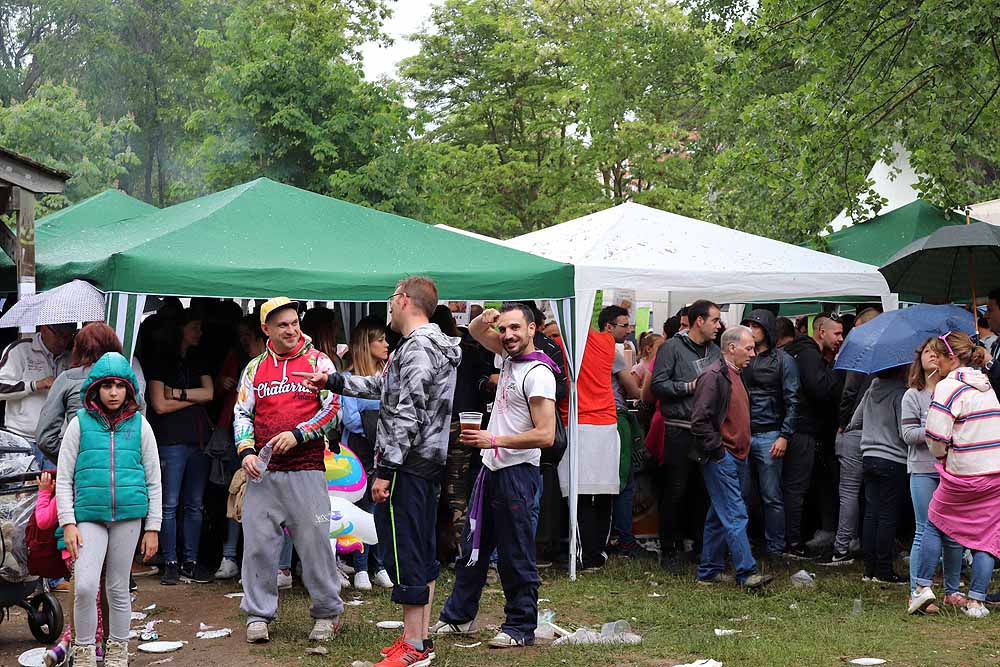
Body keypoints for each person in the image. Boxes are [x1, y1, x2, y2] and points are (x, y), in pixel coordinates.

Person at [296, 277, 461, 667]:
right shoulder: (428, 345)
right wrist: (332, 380)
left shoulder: (418, 348)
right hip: (425, 462)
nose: (388, 307)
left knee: (404, 552)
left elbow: (408, 411)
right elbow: (381, 387)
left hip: (408, 465)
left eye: (391, 299)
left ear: (404, 300)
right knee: (420, 549)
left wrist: (386, 468)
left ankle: (414, 647)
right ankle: (417, 640)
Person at [431, 303, 556, 648]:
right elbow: (473, 332)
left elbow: (545, 434)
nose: (508, 335)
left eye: (516, 328)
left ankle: (520, 627)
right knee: (473, 546)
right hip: (491, 467)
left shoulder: (538, 373)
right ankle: (459, 617)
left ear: (533, 329)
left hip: (517, 471)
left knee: (516, 552)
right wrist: (484, 319)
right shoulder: (509, 357)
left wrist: (494, 438)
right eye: (504, 329)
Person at [234, 297, 344, 644]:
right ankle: (258, 614)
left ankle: (327, 613)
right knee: (257, 547)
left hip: (307, 469)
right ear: (266, 329)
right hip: (263, 473)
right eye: (283, 325)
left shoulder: (318, 361)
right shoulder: (254, 368)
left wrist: (299, 434)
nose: (292, 330)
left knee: (315, 545)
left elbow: (334, 411)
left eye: (295, 322)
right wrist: (247, 451)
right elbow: (241, 414)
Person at [56, 352, 162, 667]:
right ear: (95, 390)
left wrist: (153, 526)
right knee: (86, 586)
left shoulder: (141, 426)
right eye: (106, 386)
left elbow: (154, 479)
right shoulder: (79, 425)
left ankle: (118, 649)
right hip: (88, 518)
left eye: (119, 385)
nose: (113, 392)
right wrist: (68, 523)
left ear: (130, 388)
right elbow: (63, 478)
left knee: (118, 587)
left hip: (129, 518)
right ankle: (85, 651)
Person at [910, 331, 1000, 618]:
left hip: (962, 472)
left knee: (935, 522)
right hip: (994, 471)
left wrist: (941, 456)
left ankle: (922, 589)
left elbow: (936, 434)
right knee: (986, 535)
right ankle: (976, 601)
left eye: (938, 354)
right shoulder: (986, 385)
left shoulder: (948, 387)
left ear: (950, 358)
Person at [689, 325, 771, 589]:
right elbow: (699, 421)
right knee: (735, 514)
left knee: (719, 514)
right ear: (731, 348)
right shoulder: (714, 376)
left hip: (736, 454)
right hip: (723, 456)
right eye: (748, 348)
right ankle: (746, 572)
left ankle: (708, 571)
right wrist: (719, 451)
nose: (753, 353)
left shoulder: (735, 374)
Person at [650, 300, 721, 570]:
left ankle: (702, 546)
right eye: (714, 320)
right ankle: (669, 549)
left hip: (706, 432)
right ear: (699, 321)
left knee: (703, 491)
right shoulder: (672, 348)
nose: (718, 326)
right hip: (679, 429)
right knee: (676, 490)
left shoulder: (716, 351)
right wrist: (690, 386)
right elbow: (658, 384)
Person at [146, 309, 215, 585]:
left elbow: (209, 394)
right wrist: (193, 399)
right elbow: (159, 405)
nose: (200, 333)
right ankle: (170, 560)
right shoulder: (160, 359)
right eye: (195, 327)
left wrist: (178, 394)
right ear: (181, 328)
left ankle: (191, 560)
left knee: (194, 504)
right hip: (170, 440)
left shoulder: (199, 358)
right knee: (170, 504)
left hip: (198, 440)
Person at [901, 338, 965, 609]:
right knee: (924, 529)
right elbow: (906, 434)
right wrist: (932, 427)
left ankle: (952, 589)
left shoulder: (955, 393)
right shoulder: (912, 396)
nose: (932, 357)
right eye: (927, 352)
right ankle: (918, 589)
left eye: (936, 352)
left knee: (954, 533)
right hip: (923, 470)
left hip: (952, 471)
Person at [561, 313, 622, 570]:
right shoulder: (608, 342)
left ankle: (582, 554)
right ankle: (597, 553)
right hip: (606, 422)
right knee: (604, 492)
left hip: (575, 422)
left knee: (579, 494)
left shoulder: (561, 342)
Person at [782, 313, 844, 558]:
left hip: (802, 428)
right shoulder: (808, 354)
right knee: (797, 487)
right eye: (836, 333)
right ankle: (792, 543)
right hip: (802, 429)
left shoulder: (802, 352)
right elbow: (819, 389)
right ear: (821, 332)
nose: (841, 338)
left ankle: (794, 539)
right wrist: (836, 368)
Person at [739, 309, 800, 557]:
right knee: (741, 495)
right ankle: (742, 545)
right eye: (748, 325)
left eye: (756, 325)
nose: (751, 330)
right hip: (743, 433)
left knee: (771, 495)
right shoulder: (743, 357)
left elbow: (793, 399)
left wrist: (784, 435)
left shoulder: (784, 360)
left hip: (770, 434)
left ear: (767, 330)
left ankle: (775, 547)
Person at [339, 317, 394, 591]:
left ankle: (380, 564)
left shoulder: (390, 376)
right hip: (357, 453)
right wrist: (381, 426)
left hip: (383, 451)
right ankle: (361, 567)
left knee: (381, 506)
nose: (386, 344)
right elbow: (349, 419)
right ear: (365, 344)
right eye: (380, 339)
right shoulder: (348, 379)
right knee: (362, 508)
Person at [214, 315, 266, 581]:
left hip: (267, 444)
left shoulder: (271, 368)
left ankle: (256, 560)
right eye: (242, 337)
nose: (245, 343)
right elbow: (239, 410)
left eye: (249, 337)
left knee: (264, 503)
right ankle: (230, 556)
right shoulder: (242, 362)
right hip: (241, 441)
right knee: (237, 493)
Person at [848, 364, 909, 583]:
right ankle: (884, 570)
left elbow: (855, 421)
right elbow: (905, 432)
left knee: (871, 514)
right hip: (893, 459)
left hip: (869, 457)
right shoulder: (901, 394)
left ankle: (869, 569)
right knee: (887, 516)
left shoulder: (871, 390)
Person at [37, 323, 124, 466]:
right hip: (124, 469)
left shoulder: (68, 379)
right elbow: (139, 429)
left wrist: (74, 459)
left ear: (78, 348)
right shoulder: (126, 379)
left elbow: (45, 439)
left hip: (83, 470)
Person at [600, 306, 644, 559]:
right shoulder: (611, 351)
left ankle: (608, 537)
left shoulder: (587, 348)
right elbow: (635, 390)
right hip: (615, 418)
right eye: (624, 325)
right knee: (624, 482)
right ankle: (625, 539)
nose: (629, 330)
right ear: (608, 327)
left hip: (592, 418)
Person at [0, 323, 74, 469]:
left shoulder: (71, 356)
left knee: (55, 490)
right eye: (59, 335)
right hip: (22, 439)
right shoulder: (20, 350)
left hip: (57, 440)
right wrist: (36, 385)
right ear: (45, 329)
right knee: (24, 490)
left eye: (68, 337)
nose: (63, 342)